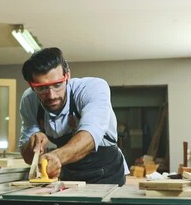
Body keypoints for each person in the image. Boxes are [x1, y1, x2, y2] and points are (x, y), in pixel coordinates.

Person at [19, 47, 128, 186]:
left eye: (58, 85)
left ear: (68, 75)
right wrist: (32, 146)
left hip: (106, 172)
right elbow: (28, 157)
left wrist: (57, 156)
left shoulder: (93, 88)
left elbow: (89, 136)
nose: (52, 95)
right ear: (31, 85)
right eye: (42, 88)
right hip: (69, 173)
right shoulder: (29, 100)